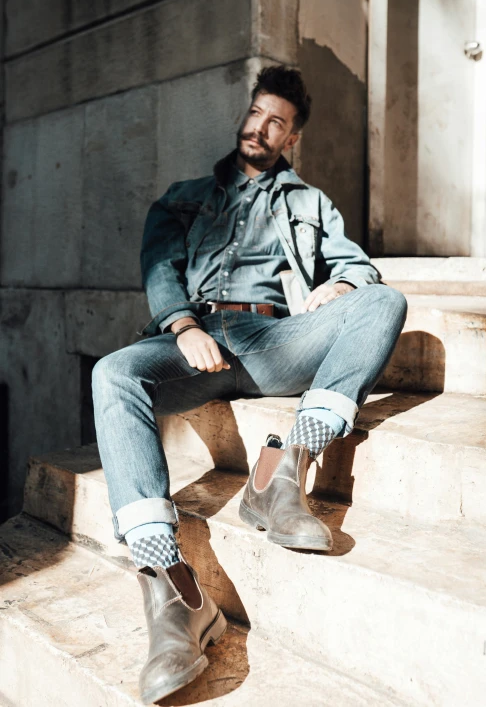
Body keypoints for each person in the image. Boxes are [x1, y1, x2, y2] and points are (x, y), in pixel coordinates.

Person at [92, 66, 407, 703]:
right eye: (256, 113)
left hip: (275, 341)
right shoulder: (183, 196)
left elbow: (355, 265)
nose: (260, 127)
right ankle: (172, 584)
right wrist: (182, 326)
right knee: (112, 371)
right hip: (195, 343)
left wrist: (341, 286)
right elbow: (160, 268)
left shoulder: (310, 203)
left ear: (291, 138)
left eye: (276, 122)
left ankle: (283, 469)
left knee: (383, 300)